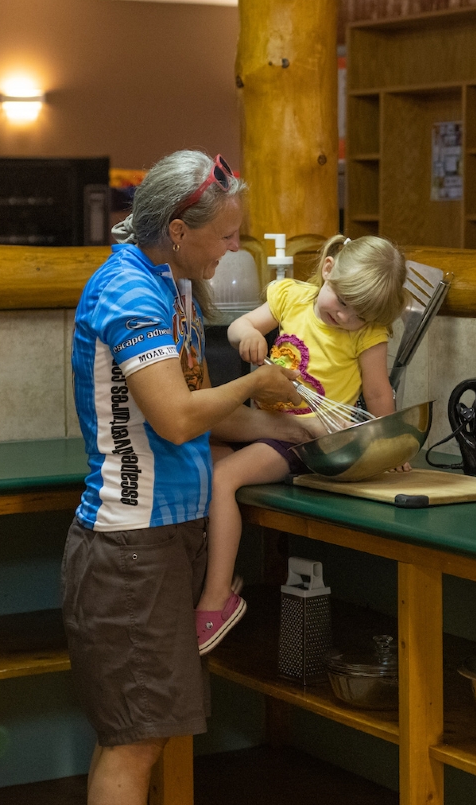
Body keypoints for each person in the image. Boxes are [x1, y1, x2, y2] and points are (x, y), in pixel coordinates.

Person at [62, 149, 310, 805]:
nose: (233, 250)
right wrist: (257, 380)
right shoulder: (129, 291)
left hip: (170, 537)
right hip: (128, 547)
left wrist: (293, 430)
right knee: (133, 740)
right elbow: (174, 418)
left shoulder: (171, 284)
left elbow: (204, 410)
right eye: (227, 235)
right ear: (177, 229)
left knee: (147, 731)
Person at [196, 234, 407, 653]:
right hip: (263, 425)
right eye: (343, 302)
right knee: (198, 458)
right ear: (327, 270)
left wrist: (391, 445)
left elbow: (380, 394)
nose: (346, 318)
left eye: (359, 315)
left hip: (305, 443)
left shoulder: (367, 335)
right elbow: (242, 326)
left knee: (221, 480)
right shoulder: (292, 297)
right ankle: (212, 573)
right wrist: (247, 336)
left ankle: (217, 596)